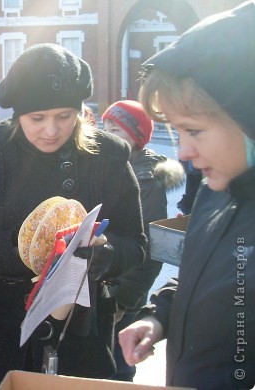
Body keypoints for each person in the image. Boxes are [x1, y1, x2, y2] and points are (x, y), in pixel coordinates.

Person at [0, 43, 147, 389]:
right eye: (37, 118)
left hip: (79, 338)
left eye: (64, 116)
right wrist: (25, 249)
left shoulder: (107, 157)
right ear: (18, 113)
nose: (51, 130)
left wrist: (100, 256)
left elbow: (136, 244)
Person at [119, 3, 254, 389]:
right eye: (177, 132)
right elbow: (206, 275)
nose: (182, 153)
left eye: (193, 130)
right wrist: (158, 316)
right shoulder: (219, 193)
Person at [101, 100, 184, 382]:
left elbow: (150, 251)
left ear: (136, 139)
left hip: (121, 295)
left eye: (118, 130)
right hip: (102, 287)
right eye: (106, 127)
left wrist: (121, 300)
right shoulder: (107, 167)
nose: (109, 135)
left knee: (117, 361)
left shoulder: (146, 182)